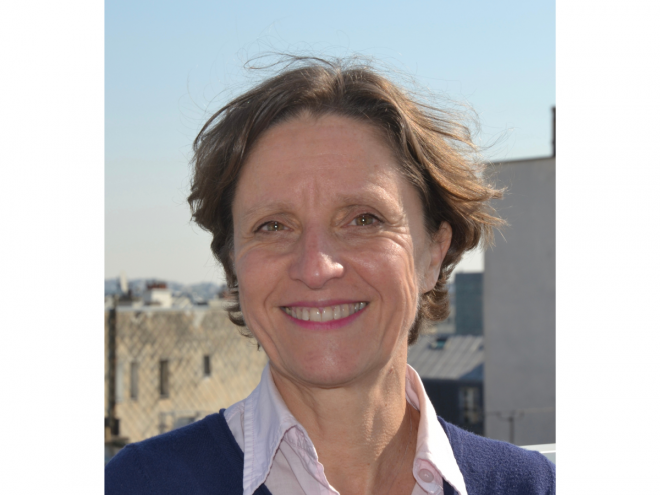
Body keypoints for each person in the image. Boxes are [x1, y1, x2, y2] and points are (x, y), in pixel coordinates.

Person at [106, 56, 555, 495]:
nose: (317, 268)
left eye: (364, 220)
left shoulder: (530, 486)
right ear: (234, 262)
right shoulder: (138, 485)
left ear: (433, 254)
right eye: (273, 226)